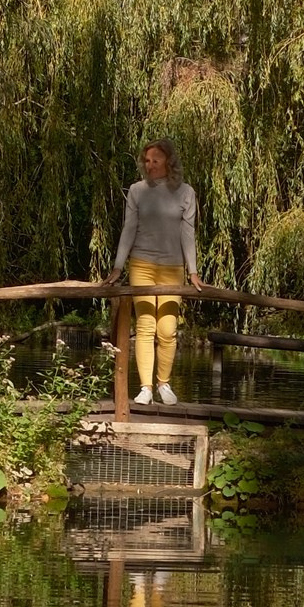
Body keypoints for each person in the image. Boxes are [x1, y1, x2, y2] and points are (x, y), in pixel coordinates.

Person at [109, 138, 199, 411]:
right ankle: (146, 388)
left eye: (155, 160)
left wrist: (193, 271)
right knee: (146, 326)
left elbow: (188, 233)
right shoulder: (137, 191)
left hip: (173, 268)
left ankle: (164, 384)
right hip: (142, 264)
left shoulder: (185, 192)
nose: (150, 165)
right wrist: (118, 266)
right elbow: (129, 229)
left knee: (168, 330)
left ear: (169, 161)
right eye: (146, 161)